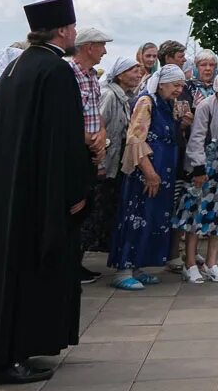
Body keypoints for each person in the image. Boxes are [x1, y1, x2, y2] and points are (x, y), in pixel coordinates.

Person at [0, 0, 94, 385]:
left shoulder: (17, 68)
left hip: (5, 190)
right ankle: (5, 358)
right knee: (22, 273)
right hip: (35, 196)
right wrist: (76, 190)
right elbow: (63, 139)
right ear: (63, 31)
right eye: (73, 29)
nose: (74, 33)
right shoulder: (54, 71)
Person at [108, 65, 183, 289]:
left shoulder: (167, 104)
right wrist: (150, 173)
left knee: (152, 219)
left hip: (163, 170)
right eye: (175, 85)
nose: (179, 89)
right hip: (146, 172)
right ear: (162, 84)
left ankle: (138, 266)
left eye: (181, 85)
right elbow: (136, 139)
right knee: (137, 218)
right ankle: (124, 269)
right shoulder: (146, 102)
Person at [177, 66, 218, 284]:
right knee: (197, 213)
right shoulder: (207, 106)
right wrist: (197, 168)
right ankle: (189, 263)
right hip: (207, 165)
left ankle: (211, 262)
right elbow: (197, 137)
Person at [88, 56, 144, 258]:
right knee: (96, 210)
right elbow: (98, 127)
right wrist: (101, 162)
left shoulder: (125, 97)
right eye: (133, 70)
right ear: (120, 74)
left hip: (115, 162)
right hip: (105, 162)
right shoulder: (109, 96)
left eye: (139, 70)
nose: (139, 74)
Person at [68, 27, 110, 282]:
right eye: (101, 45)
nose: (105, 51)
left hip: (92, 147)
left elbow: (95, 110)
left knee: (87, 205)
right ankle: (70, 263)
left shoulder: (92, 75)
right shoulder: (69, 73)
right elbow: (68, 115)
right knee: (76, 205)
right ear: (88, 47)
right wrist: (88, 139)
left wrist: (101, 136)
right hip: (77, 147)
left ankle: (77, 261)